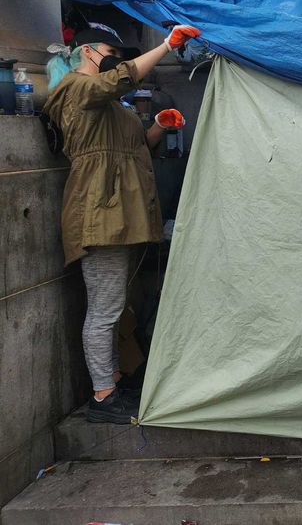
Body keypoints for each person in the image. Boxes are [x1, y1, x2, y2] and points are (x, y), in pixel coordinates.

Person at [43, 22, 200, 424]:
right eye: (110, 50)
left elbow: (134, 147)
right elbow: (118, 80)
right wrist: (166, 45)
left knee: (113, 305)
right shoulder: (74, 89)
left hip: (120, 216)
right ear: (88, 52)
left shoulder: (111, 104)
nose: (117, 57)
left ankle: (112, 379)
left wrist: (158, 128)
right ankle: (102, 395)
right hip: (100, 214)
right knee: (104, 308)